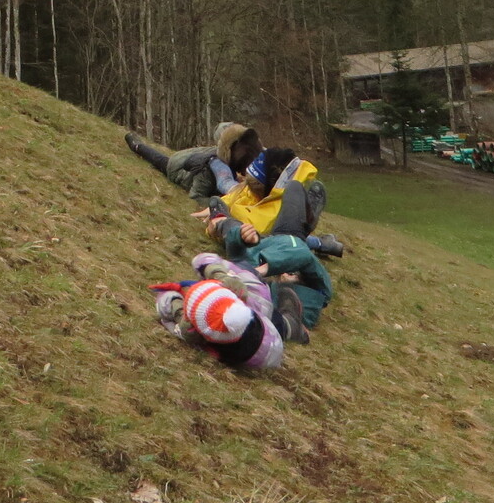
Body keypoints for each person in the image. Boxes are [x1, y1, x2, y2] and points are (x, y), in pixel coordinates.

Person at [202, 147, 341, 332]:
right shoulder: (317, 289)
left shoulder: (278, 299)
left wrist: (241, 236)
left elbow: (236, 255)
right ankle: (307, 220)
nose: (287, 274)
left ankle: (221, 218)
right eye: (293, 273)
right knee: (294, 187)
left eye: (290, 274)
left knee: (231, 224)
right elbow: (303, 256)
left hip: (266, 243)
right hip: (290, 238)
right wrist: (264, 269)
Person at [148, 252, 305, 371]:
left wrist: (179, 312)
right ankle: (289, 324)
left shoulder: (208, 344)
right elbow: (204, 258)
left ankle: (289, 326)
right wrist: (220, 275)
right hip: (270, 328)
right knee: (244, 267)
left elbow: (164, 306)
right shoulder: (252, 295)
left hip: (265, 350)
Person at [124, 122, 261, 204]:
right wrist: (221, 201)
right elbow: (196, 196)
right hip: (176, 166)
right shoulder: (211, 170)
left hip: (190, 156)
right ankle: (136, 145)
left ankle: (136, 143)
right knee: (158, 159)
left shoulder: (229, 159)